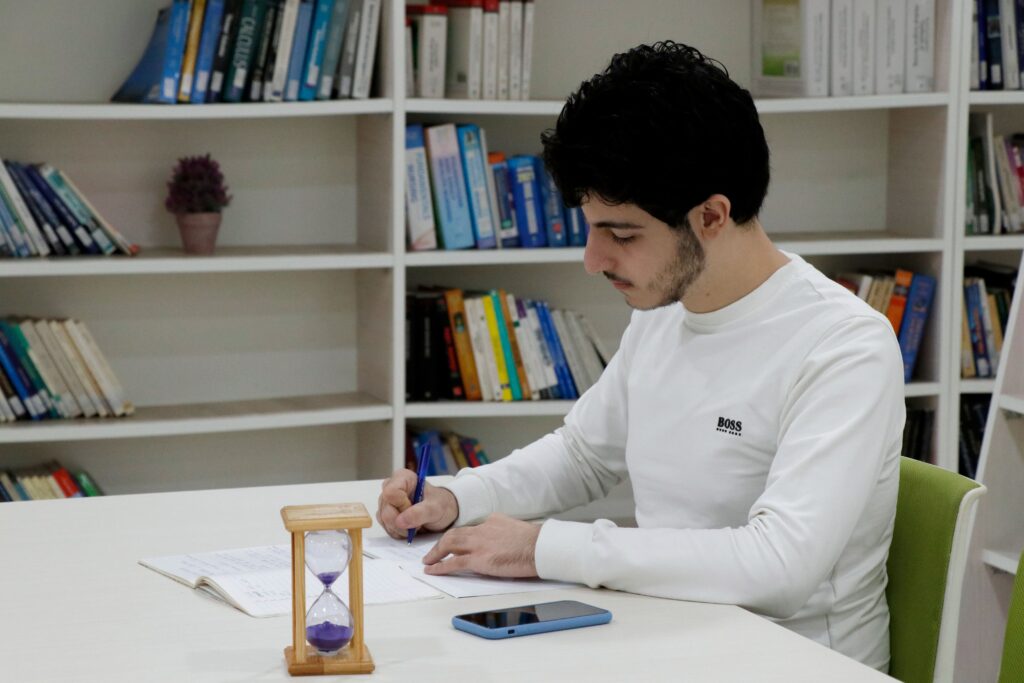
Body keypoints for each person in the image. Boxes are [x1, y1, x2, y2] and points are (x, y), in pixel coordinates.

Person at [378, 41, 904, 672]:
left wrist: (543, 547)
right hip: (667, 638)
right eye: (592, 228)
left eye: (621, 234)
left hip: (792, 663)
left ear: (712, 215)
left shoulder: (844, 346)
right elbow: (582, 456)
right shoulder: (664, 314)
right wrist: (458, 497)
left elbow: (780, 566)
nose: (593, 260)